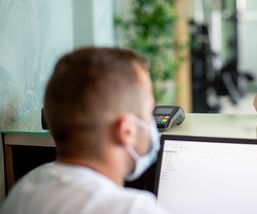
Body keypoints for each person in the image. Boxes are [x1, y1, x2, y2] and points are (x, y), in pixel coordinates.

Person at [0, 48, 168, 213]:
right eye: (149, 112)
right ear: (126, 131)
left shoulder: (23, 191)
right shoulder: (133, 209)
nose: (151, 123)